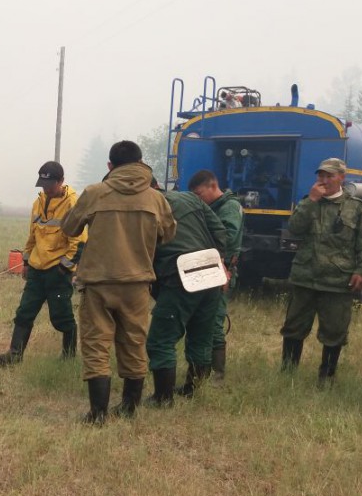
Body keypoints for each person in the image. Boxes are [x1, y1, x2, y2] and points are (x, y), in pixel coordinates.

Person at [61, 141, 176, 423]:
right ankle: (129, 408)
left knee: (96, 345)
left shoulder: (94, 193)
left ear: (110, 166)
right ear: (141, 163)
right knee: (134, 343)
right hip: (137, 284)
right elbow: (168, 235)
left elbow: (68, 227)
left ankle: (98, 414)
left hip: (98, 283)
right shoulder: (155, 198)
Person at [279, 158, 362, 382]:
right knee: (294, 328)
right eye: (321, 175)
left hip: (337, 280)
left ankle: (327, 376)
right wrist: (311, 201)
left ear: (342, 177)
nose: (324, 180)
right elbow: (294, 229)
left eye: (329, 176)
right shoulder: (309, 202)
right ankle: (287, 373)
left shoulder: (356, 207)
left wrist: (361, 270)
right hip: (305, 276)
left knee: (334, 332)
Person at [0, 161, 86, 366]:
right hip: (36, 269)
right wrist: (26, 261)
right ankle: (14, 355)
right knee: (24, 312)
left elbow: (78, 242)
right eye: (43, 184)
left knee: (61, 316)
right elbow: (32, 235)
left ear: (61, 181)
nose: (46, 189)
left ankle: (68, 356)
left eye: (50, 185)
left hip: (58, 271)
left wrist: (64, 268)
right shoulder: (38, 202)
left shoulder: (73, 204)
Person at [145, 189, 227, 405]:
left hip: (179, 276)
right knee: (201, 335)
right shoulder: (189, 198)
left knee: (160, 339)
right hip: (212, 272)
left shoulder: (144, 207)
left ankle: (163, 398)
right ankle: (193, 389)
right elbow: (221, 233)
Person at [188, 169, 244, 382]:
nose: (198, 199)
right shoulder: (209, 207)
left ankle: (217, 375)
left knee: (214, 321)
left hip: (220, 270)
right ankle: (202, 370)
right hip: (206, 268)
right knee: (202, 320)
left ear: (213, 186)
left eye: (200, 194)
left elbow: (227, 238)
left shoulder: (229, 207)